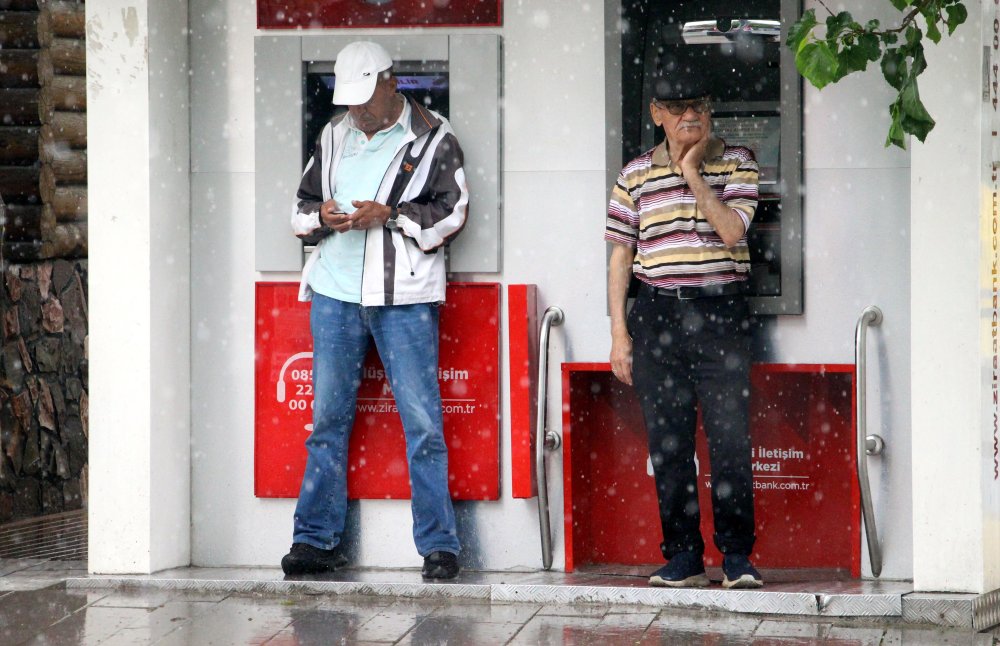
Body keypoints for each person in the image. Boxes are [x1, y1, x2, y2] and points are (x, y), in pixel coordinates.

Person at [281, 41, 468, 580]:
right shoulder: (334, 133)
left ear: (391, 83)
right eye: (350, 103)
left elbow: (452, 214)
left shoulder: (435, 135)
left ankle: (439, 546)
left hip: (403, 297)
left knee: (423, 425)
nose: (357, 113)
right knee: (326, 423)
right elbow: (299, 209)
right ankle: (315, 541)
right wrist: (324, 215)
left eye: (365, 100)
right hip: (336, 292)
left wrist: (389, 215)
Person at [605, 65, 763, 589]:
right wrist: (620, 335)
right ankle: (683, 555)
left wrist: (693, 172)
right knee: (669, 445)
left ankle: (737, 557)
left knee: (729, 441)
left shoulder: (738, 162)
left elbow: (731, 232)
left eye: (697, 103)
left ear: (710, 106)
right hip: (656, 314)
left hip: (720, 313)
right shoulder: (634, 174)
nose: (689, 114)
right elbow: (620, 257)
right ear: (657, 114)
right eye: (676, 107)